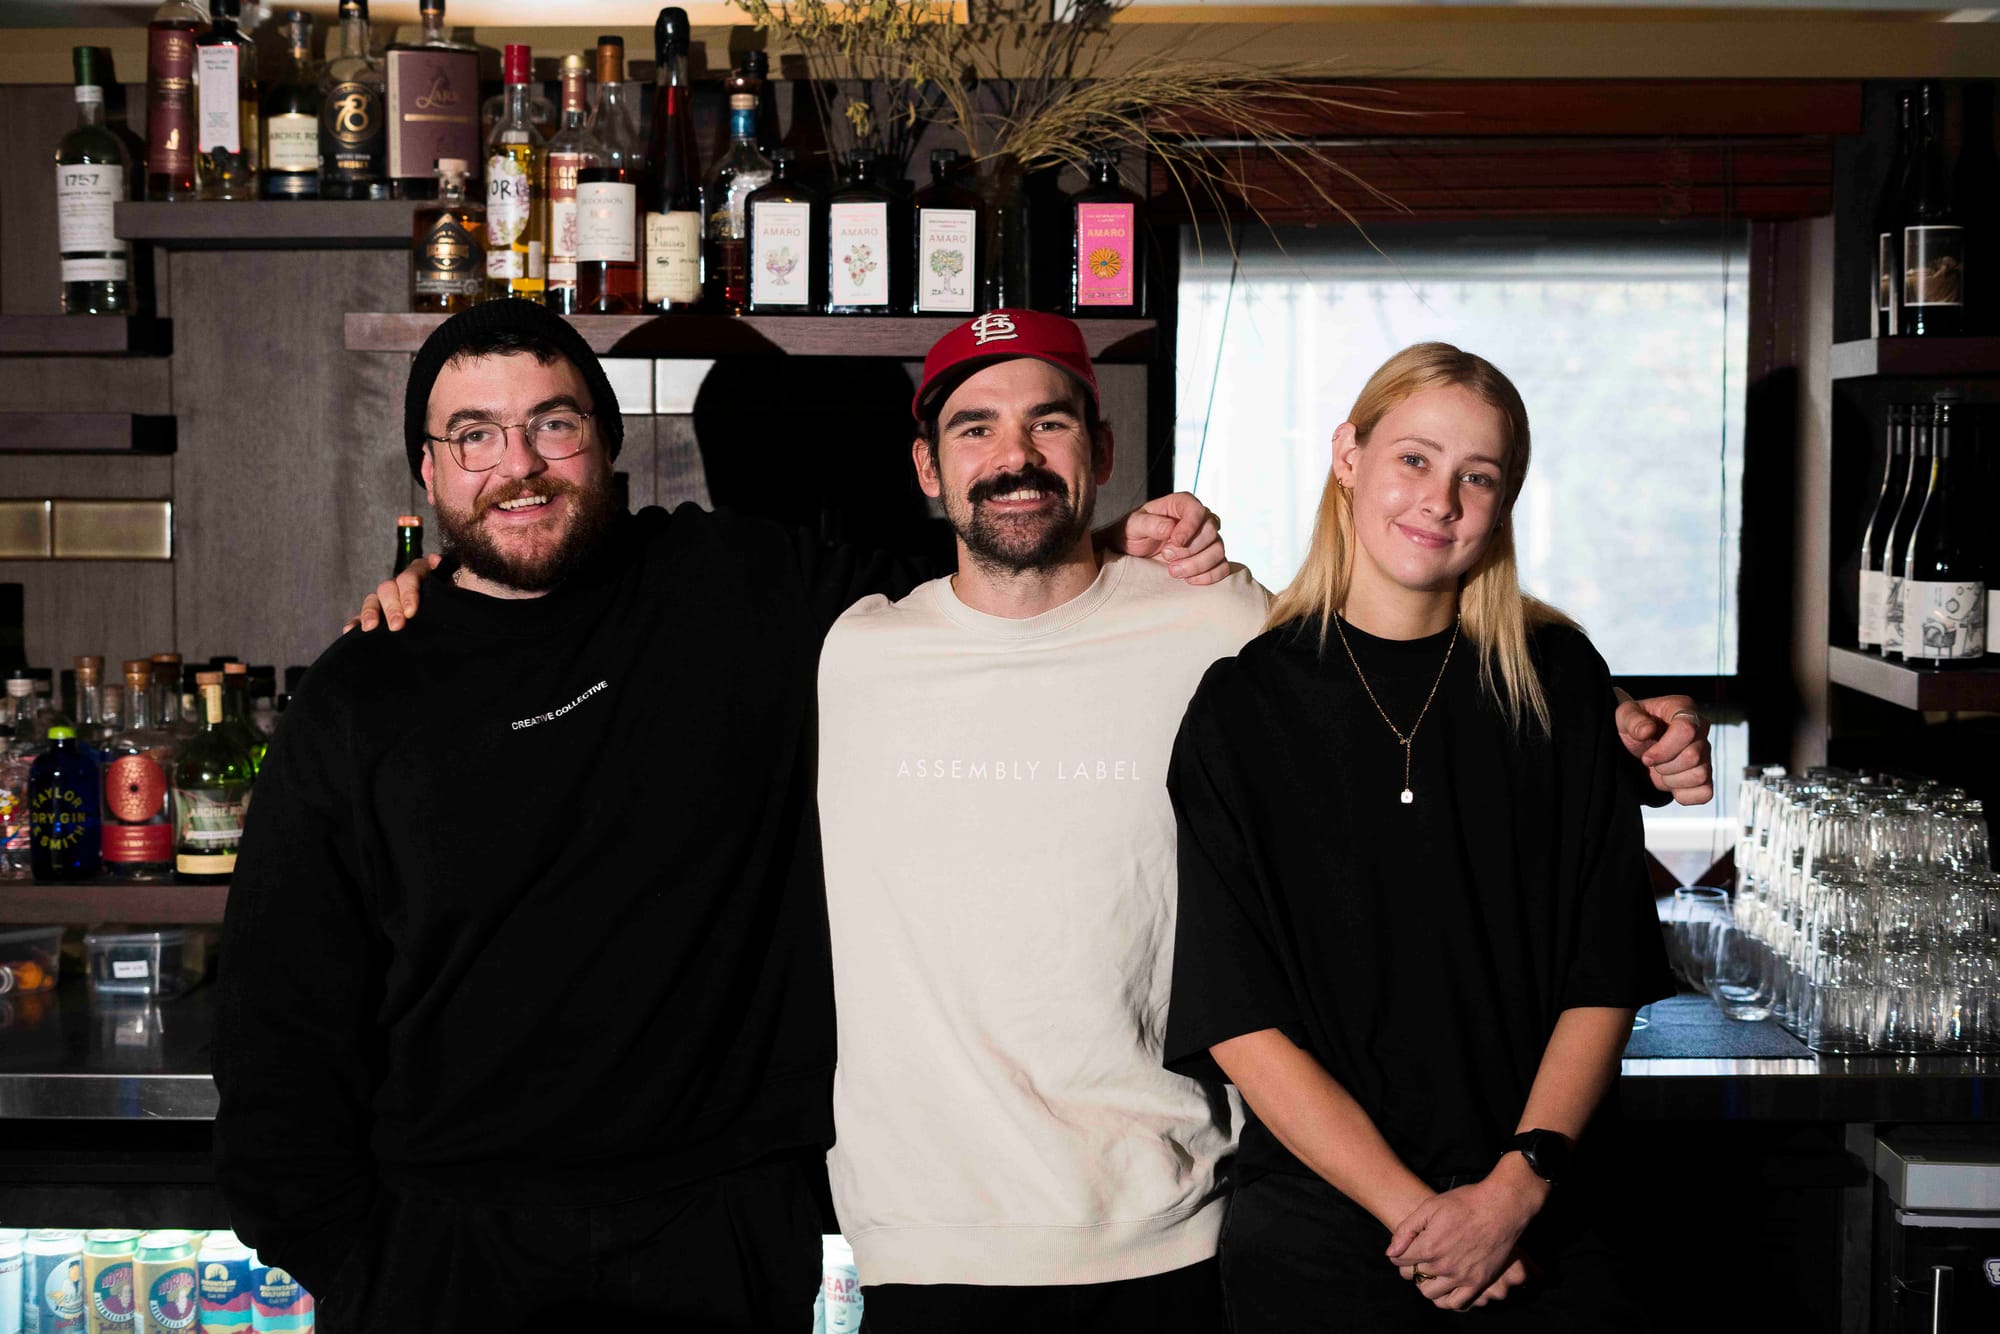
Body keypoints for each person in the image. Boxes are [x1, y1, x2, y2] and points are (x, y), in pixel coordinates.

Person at [212, 299, 1226, 1333]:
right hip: (446, 1246)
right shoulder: (362, 693)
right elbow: (275, 1008)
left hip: (717, 1236)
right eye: (474, 435)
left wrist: (1111, 537)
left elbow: (976, 585)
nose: (517, 464)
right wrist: (353, 1257)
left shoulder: (740, 584)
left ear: (605, 445)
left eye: (552, 424)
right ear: (426, 471)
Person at [812, 317, 1709, 1332]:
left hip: (1170, 1226)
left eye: (1047, 422)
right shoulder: (847, 648)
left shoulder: (1216, 628)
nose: (1014, 456)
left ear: (1101, 451)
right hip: (923, 1238)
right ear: (926, 466)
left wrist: (1622, 722)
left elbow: (1397, 645)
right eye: (975, 429)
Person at [1162, 343, 1678, 1332]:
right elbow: (1235, 1011)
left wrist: (1512, 1191)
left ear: (1502, 501)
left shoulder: (1560, 684)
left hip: (1548, 1218)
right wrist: (1424, 1219)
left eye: (1474, 476)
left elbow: (1601, 968)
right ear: (1346, 455)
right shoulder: (1242, 706)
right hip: (1319, 1238)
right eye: (1412, 457)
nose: (1438, 498)